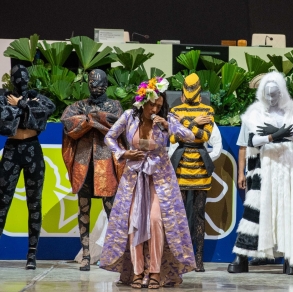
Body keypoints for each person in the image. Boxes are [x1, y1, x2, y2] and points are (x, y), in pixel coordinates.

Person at [99, 77, 196, 289]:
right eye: (152, 104)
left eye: (159, 106)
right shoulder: (128, 117)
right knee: (134, 222)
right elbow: (110, 137)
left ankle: (155, 271)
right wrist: (123, 153)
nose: (154, 108)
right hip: (134, 177)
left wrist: (169, 125)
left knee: (155, 221)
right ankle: (136, 271)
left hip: (160, 178)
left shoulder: (166, 119)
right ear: (143, 101)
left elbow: (190, 136)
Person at [227, 71, 293, 275]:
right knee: (255, 212)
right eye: (268, 94)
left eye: (275, 93)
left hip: (289, 167)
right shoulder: (253, 114)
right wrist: (274, 136)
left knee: (290, 210)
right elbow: (249, 142)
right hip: (262, 168)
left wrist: (286, 134)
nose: (271, 98)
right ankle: (242, 256)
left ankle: (292, 258)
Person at [61, 69, 125, 271]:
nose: (93, 86)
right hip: (84, 163)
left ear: (106, 85)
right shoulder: (79, 105)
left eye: (98, 83)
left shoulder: (114, 105)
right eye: (90, 82)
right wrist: (92, 121)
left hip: (105, 164)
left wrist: (94, 119)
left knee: (112, 210)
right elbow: (68, 124)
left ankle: (116, 255)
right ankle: (86, 256)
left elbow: (118, 125)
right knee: (84, 208)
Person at [0, 64, 55, 270]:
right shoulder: (3, 97)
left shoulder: (36, 97)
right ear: (12, 80)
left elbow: (48, 110)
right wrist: (25, 107)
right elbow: (4, 120)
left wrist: (22, 104)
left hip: (33, 150)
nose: (21, 80)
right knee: (2, 201)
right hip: (12, 150)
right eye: (17, 77)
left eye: (24, 77)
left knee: (34, 203)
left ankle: (32, 254)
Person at [169, 73, 215, 272]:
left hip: (200, 166)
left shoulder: (208, 110)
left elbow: (204, 137)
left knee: (199, 215)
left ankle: (198, 259)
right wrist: (194, 122)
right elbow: (172, 138)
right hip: (180, 164)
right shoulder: (174, 110)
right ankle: (179, 258)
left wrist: (186, 122)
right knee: (178, 214)